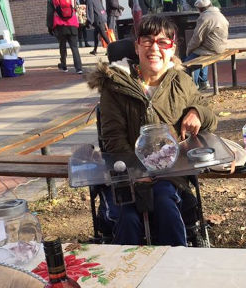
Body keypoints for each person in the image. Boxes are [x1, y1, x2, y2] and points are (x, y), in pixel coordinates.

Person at [87, 14, 217, 246]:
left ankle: (176, 267)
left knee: (166, 206)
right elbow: (113, 138)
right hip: (124, 173)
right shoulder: (115, 85)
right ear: (137, 47)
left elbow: (209, 116)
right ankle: (125, 276)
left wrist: (197, 112)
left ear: (172, 48)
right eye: (147, 41)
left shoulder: (181, 82)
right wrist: (136, 172)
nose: (154, 48)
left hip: (170, 174)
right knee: (127, 219)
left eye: (162, 42)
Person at [184, 0, 229, 91]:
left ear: (200, 9)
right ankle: (204, 82)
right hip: (220, 46)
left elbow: (197, 38)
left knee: (189, 61)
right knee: (202, 55)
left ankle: (193, 86)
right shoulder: (220, 14)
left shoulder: (204, 17)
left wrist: (188, 50)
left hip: (211, 48)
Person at [47, 0, 83, 73]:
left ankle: (64, 66)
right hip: (73, 24)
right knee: (74, 47)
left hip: (60, 26)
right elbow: (77, 8)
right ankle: (79, 68)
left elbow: (50, 14)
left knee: (62, 46)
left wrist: (49, 27)